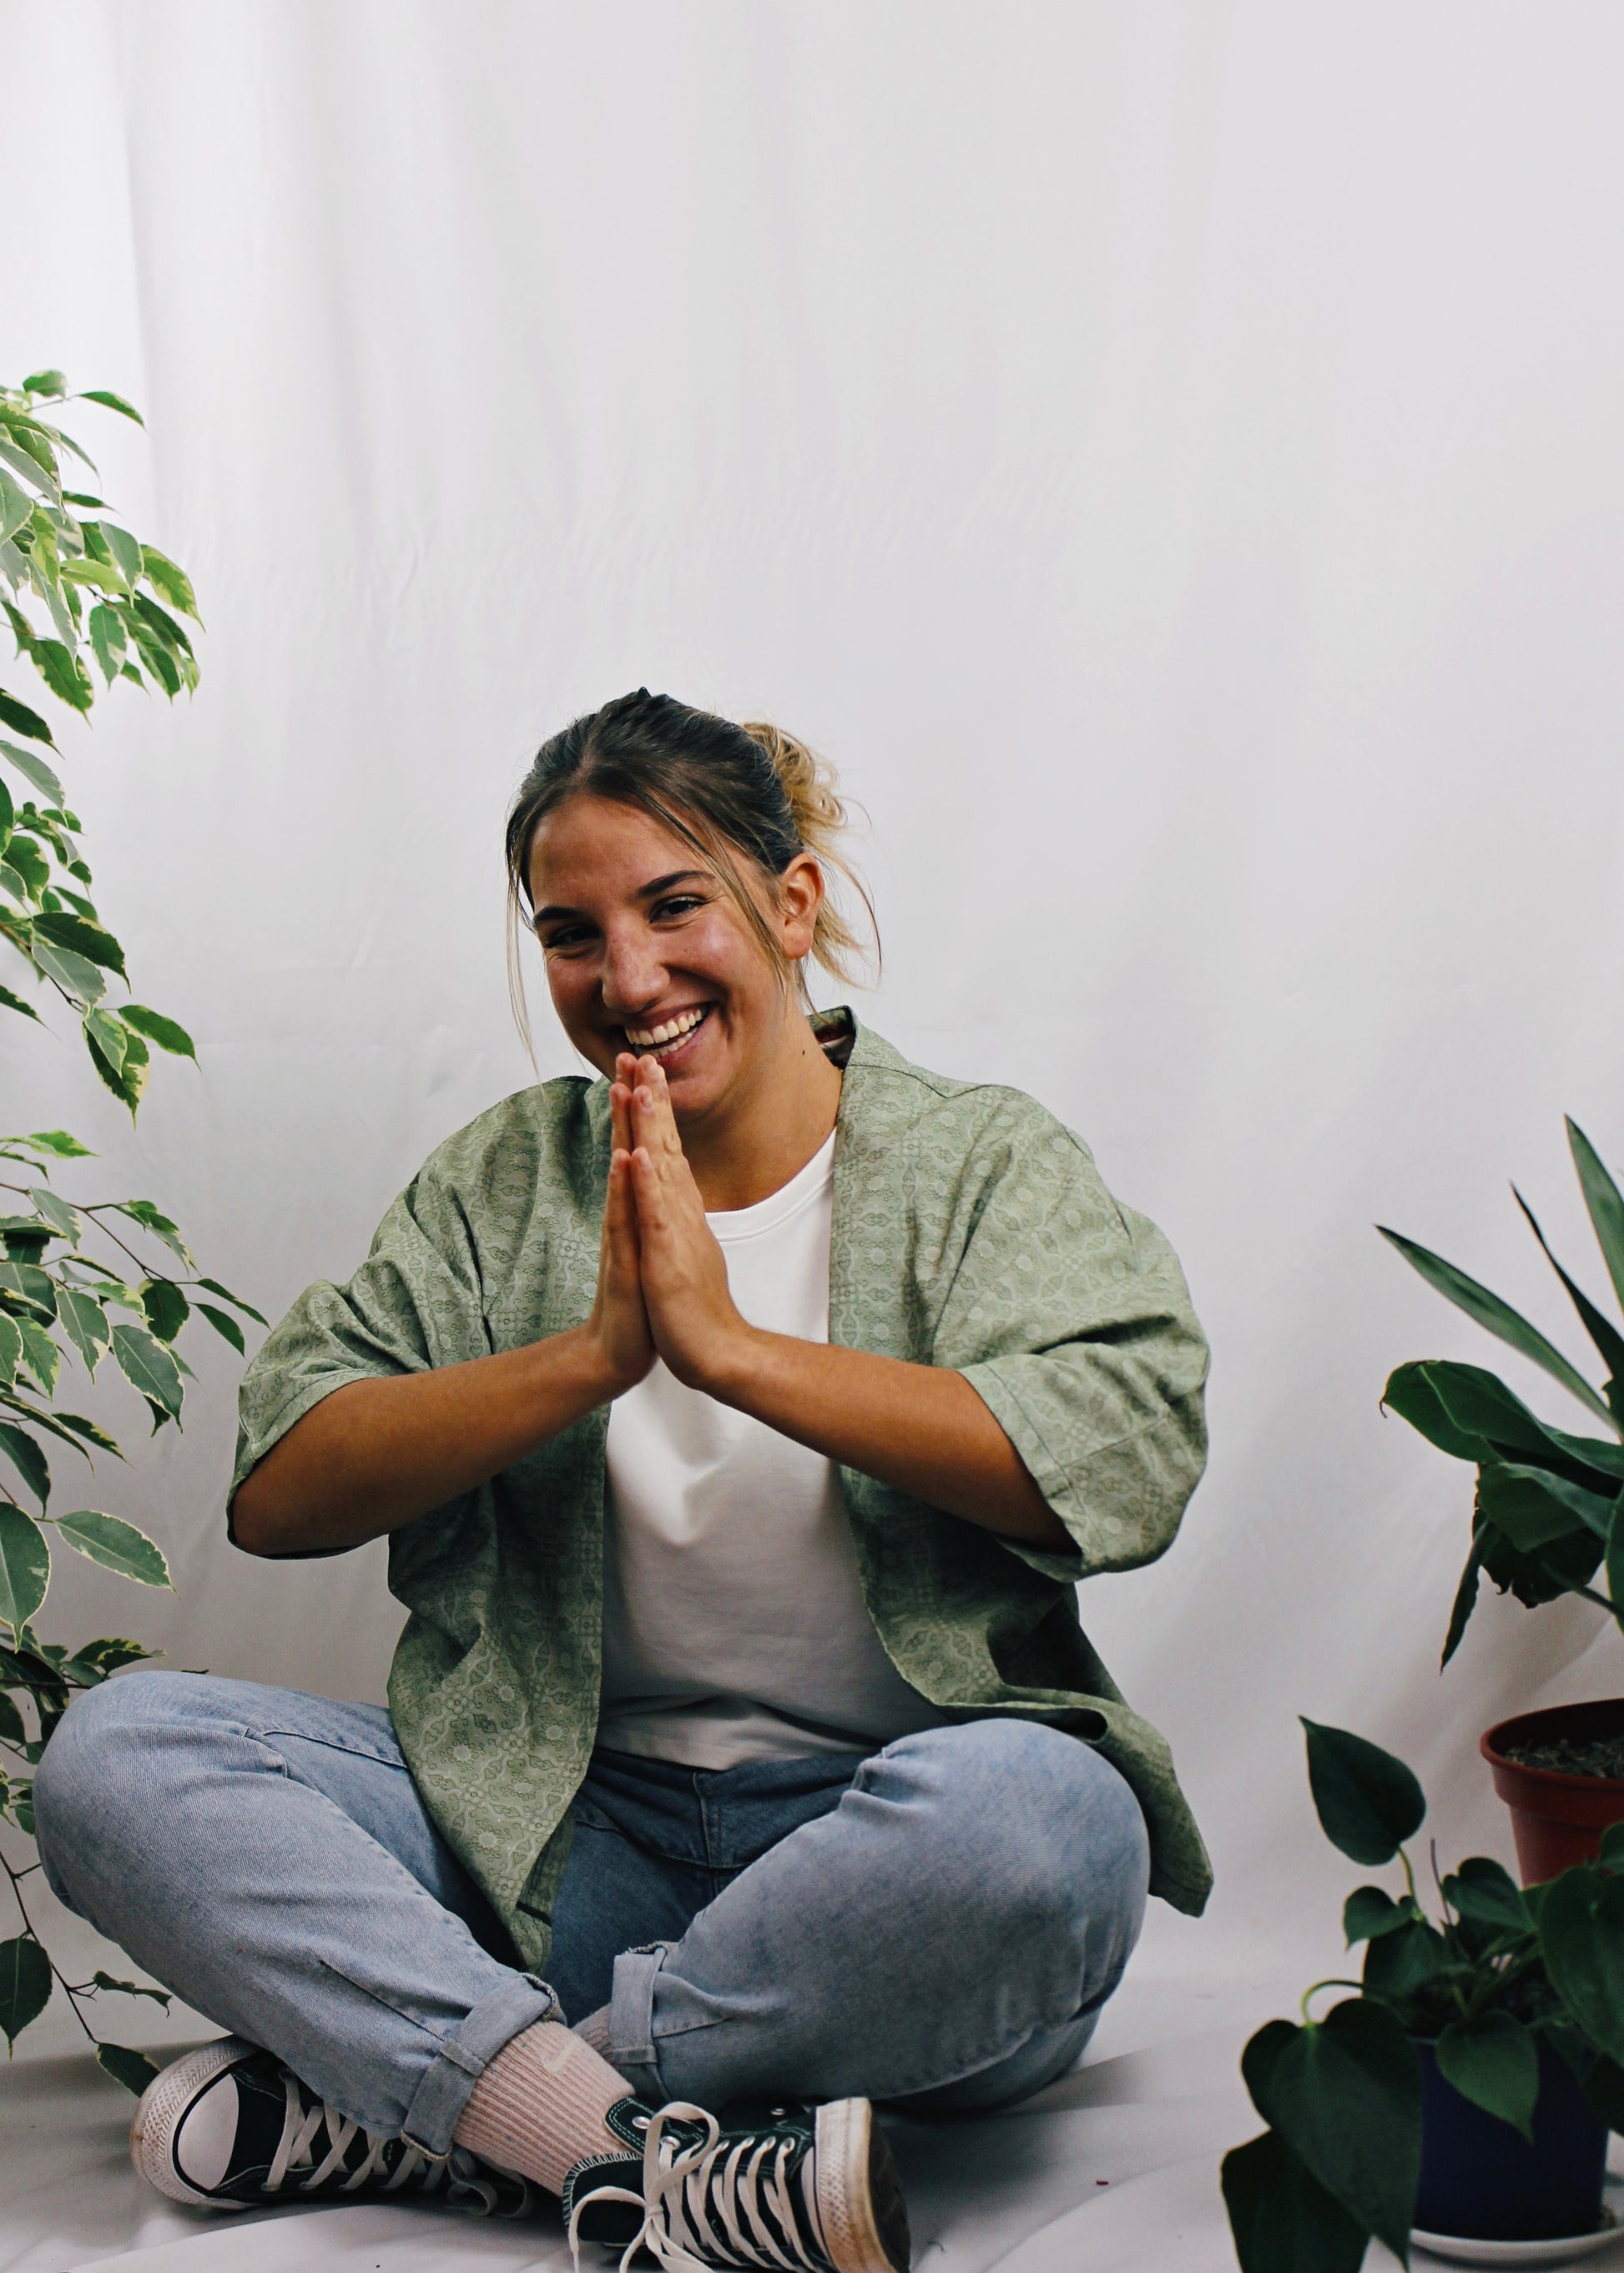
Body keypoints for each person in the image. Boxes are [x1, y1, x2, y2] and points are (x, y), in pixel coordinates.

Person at [33, 690, 1211, 2273]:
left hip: (878, 1898)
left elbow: (1128, 1460)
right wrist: (588, 1361)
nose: (629, 977)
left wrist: (731, 1353)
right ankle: (628, 2142)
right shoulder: (508, 1179)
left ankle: (444, 2104)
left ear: (789, 904)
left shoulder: (980, 1166)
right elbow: (283, 1482)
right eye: (571, 932)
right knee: (118, 1756)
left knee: (1059, 1828)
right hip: (552, 1850)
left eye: (676, 907)